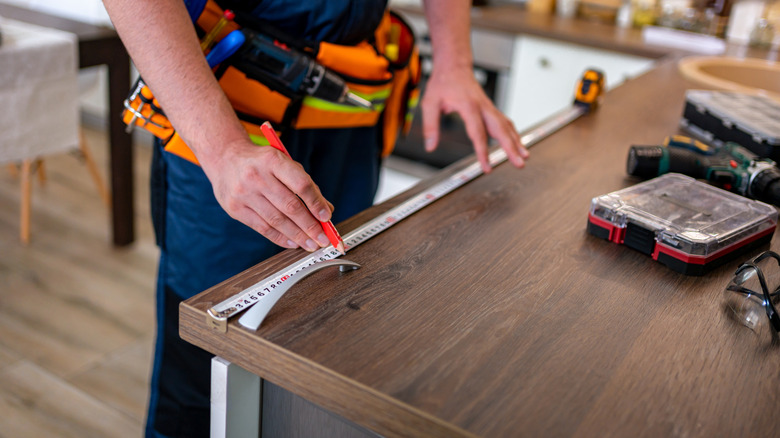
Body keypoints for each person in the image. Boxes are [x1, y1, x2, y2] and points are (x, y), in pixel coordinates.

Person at [103, 0, 529, 436]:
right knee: (208, 360)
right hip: (226, 115)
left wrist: (454, 60)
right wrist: (222, 147)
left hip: (351, 107)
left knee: (327, 337)